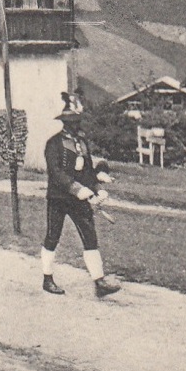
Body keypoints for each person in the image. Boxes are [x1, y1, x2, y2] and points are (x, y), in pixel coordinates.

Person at [40, 92, 120, 298]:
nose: (76, 125)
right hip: (59, 198)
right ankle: (47, 279)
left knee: (90, 237)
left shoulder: (83, 143)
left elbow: (88, 172)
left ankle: (99, 282)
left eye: (78, 121)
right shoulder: (53, 144)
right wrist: (76, 189)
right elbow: (55, 173)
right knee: (53, 236)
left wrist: (97, 187)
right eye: (72, 121)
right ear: (65, 122)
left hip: (80, 199)